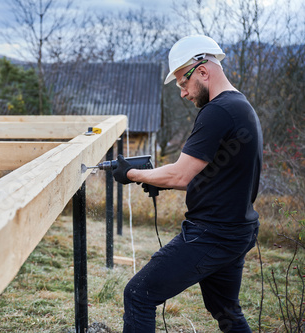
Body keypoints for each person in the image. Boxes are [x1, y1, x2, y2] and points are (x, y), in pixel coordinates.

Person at [112, 34, 263, 332]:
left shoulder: (217, 111)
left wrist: (131, 174)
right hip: (238, 229)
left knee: (138, 295)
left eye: (183, 82)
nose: (183, 92)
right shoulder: (239, 106)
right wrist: (160, 181)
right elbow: (204, 176)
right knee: (225, 310)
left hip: (212, 234)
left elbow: (180, 174)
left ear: (203, 71)